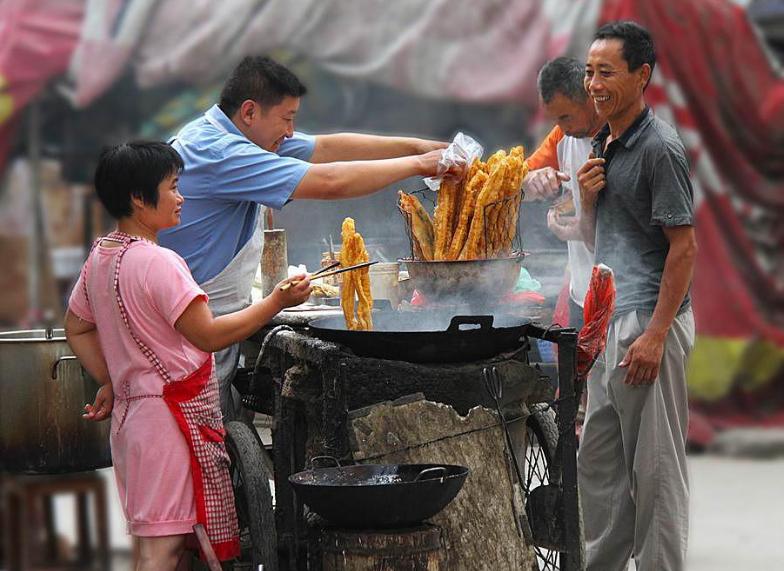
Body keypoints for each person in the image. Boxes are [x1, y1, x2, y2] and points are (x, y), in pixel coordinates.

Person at [158, 56, 459, 421]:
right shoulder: (219, 152)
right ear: (250, 112)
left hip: (212, 322)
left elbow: (328, 148)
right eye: (286, 119)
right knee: (195, 441)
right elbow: (330, 181)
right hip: (190, 332)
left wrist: (422, 148)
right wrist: (421, 165)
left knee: (218, 430)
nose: (290, 132)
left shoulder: (237, 135)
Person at [65, 142, 311, 570]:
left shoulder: (101, 258)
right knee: (164, 548)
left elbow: (77, 326)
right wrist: (275, 302)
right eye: (174, 187)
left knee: (153, 542)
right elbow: (209, 335)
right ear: (140, 199)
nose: (182, 198)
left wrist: (111, 380)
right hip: (166, 426)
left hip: (132, 423)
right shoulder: (159, 263)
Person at [576, 21, 697, 571]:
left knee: (655, 470)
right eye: (588, 72)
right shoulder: (606, 142)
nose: (593, 84)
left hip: (648, 324)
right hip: (609, 323)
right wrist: (584, 199)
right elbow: (595, 236)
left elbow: (685, 248)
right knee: (597, 464)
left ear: (641, 75)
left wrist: (655, 334)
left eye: (606, 72)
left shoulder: (659, 148)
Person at [523, 56, 605, 329]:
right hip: (581, 295)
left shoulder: (619, 137)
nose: (561, 126)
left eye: (566, 116)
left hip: (623, 302)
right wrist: (534, 181)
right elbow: (518, 180)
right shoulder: (563, 136)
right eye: (555, 118)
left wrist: (574, 230)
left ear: (588, 96)